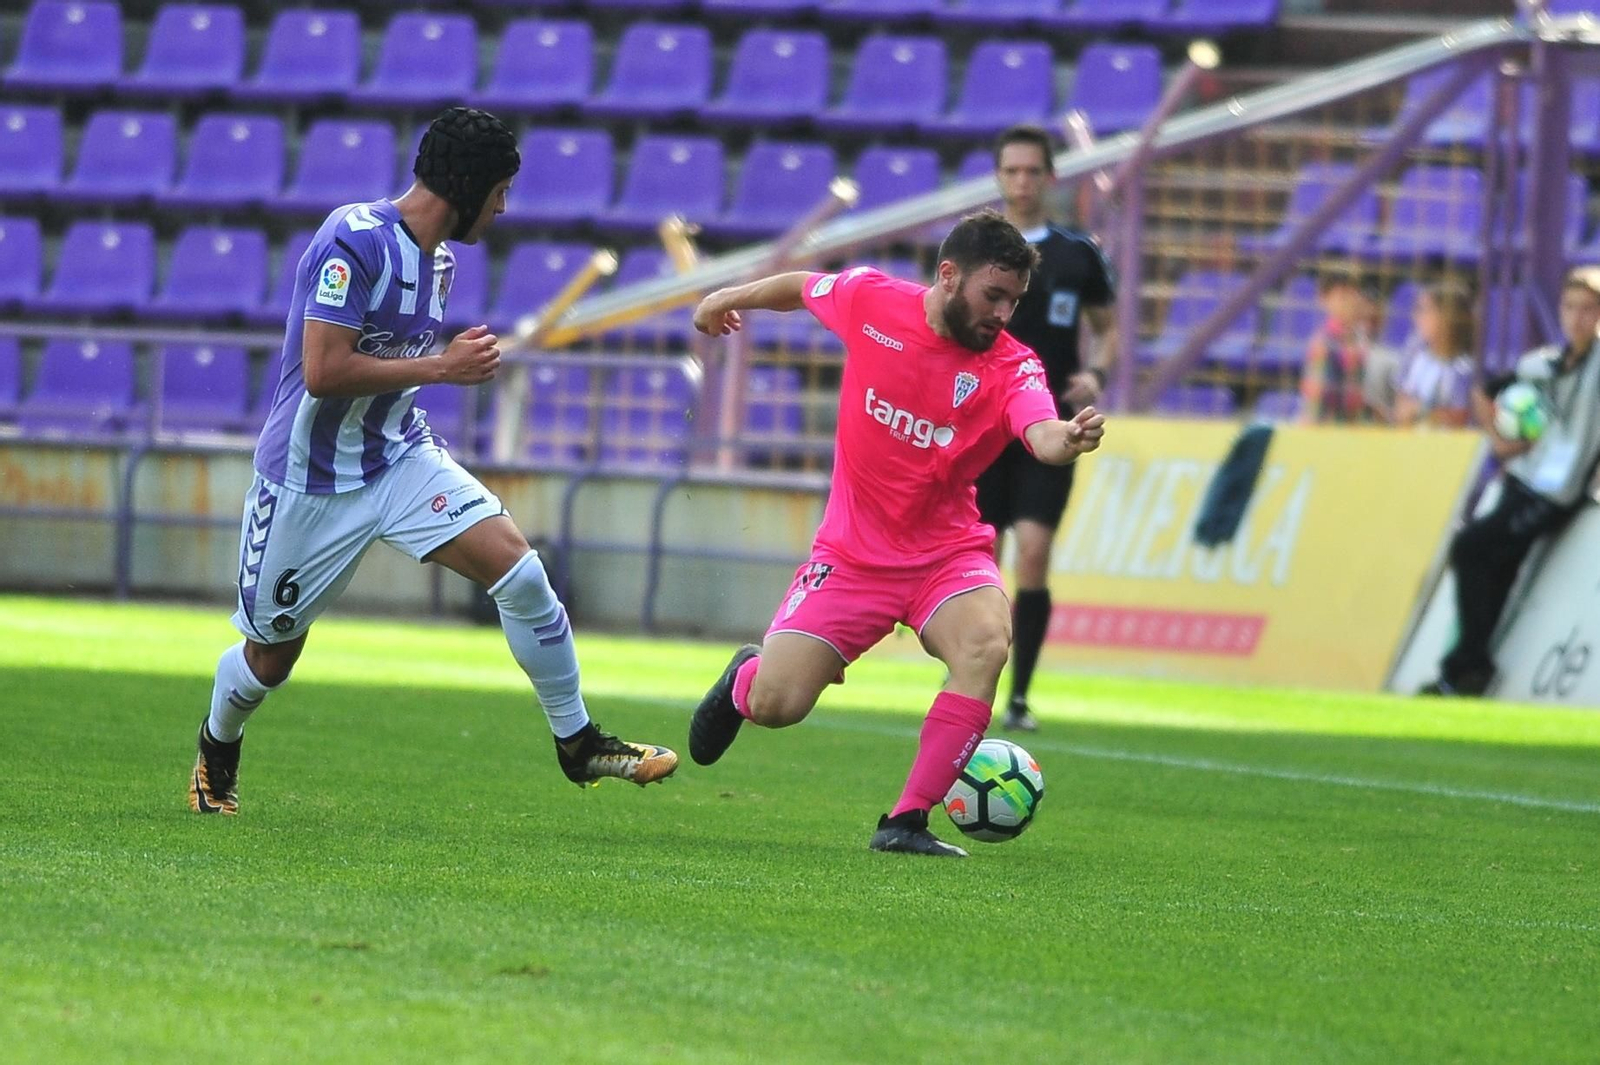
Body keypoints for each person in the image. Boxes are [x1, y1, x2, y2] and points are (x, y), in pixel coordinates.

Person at [189, 107, 678, 815]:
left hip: (397, 458)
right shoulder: (352, 241)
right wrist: (443, 366)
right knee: (270, 657)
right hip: (311, 481)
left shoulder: (439, 261)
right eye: (500, 190)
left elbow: (397, 364)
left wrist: (439, 369)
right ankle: (217, 744)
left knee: (520, 569)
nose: (504, 207)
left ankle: (578, 744)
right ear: (470, 184)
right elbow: (323, 372)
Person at [685, 210, 1106, 857]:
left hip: (946, 554)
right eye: (993, 295)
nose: (1004, 313)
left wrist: (1068, 440)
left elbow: (1040, 431)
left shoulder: (1011, 365)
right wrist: (725, 298)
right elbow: (801, 286)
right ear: (947, 275)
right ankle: (746, 678)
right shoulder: (872, 302)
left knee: (986, 643)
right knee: (778, 704)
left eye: (1014, 301)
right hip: (852, 557)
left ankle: (905, 820)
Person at [973, 125, 1119, 733]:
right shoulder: (976, 249)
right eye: (1012, 171)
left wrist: (1095, 371)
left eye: (1033, 171)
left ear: (1050, 177)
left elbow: (1108, 326)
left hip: (1048, 426)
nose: (1023, 182)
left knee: (1032, 553)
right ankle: (973, 680)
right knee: (983, 559)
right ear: (999, 177)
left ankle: (1020, 696)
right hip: (980, 423)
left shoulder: (1075, 253)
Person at [1421, 270, 1600, 697]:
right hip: (1525, 479)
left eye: (1588, 308)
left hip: (1558, 493)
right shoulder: (1541, 364)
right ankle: (1468, 668)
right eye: (1570, 307)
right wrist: (1503, 442)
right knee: (1491, 564)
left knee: (1472, 548)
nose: (1577, 317)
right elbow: (1484, 393)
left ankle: (1467, 663)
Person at [1298, 271, 1397, 424]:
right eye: (1342, 297)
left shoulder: (1360, 339)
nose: (1349, 302)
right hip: (1331, 429)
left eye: (1352, 294)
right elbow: (1316, 402)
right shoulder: (1324, 344)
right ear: (1325, 301)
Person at [1394, 282, 1475, 429]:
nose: (1416, 317)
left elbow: (1459, 418)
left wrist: (1420, 411)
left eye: (1424, 310)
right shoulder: (1415, 357)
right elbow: (1401, 409)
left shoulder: (1464, 368)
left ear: (1447, 317)